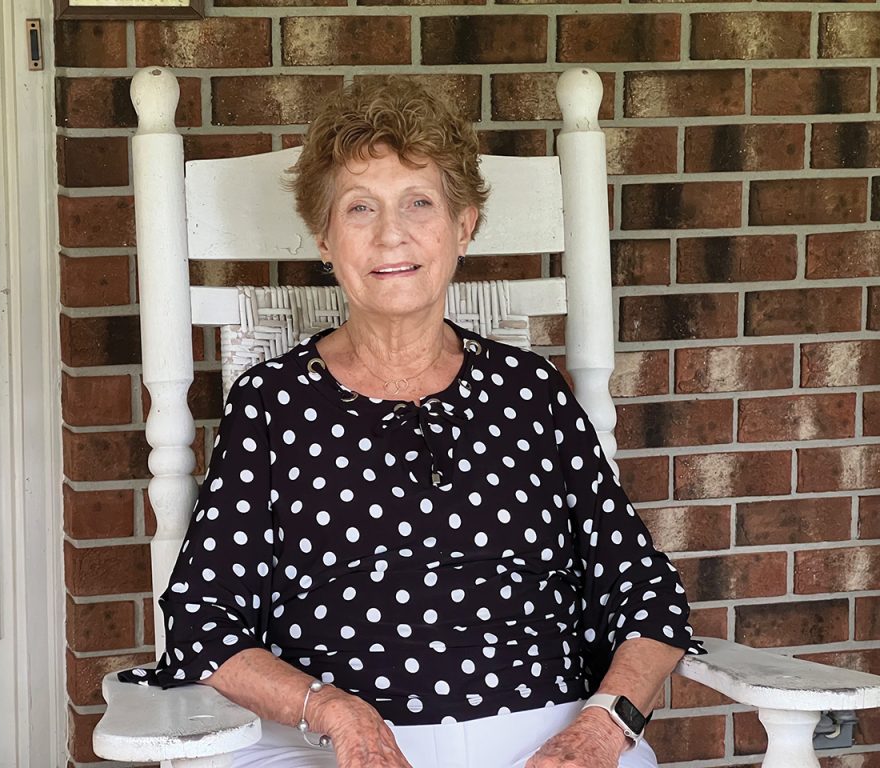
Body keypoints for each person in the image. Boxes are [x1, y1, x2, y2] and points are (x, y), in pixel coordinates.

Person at [123, 77, 703, 768]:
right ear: (324, 239)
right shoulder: (273, 404)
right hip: (330, 740)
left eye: (419, 202)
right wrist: (336, 713)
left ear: (464, 226)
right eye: (360, 207)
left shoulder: (531, 393)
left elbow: (644, 590)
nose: (391, 233)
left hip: (548, 734)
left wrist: (603, 729)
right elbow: (204, 621)